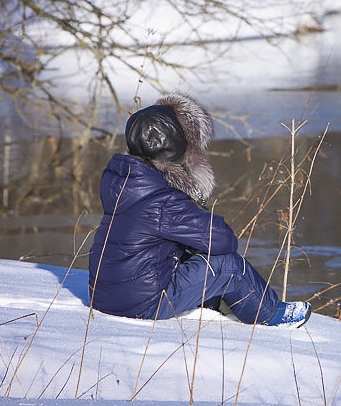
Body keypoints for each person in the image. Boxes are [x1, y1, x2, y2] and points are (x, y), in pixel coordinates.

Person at [88, 93, 311, 328]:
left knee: (186, 254)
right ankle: (270, 314)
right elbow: (222, 240)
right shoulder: (162, 200)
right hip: (142, 305)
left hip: (105, 297)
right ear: (178, 145)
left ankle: (218, 303)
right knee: (229, 266)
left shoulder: (126, 184)